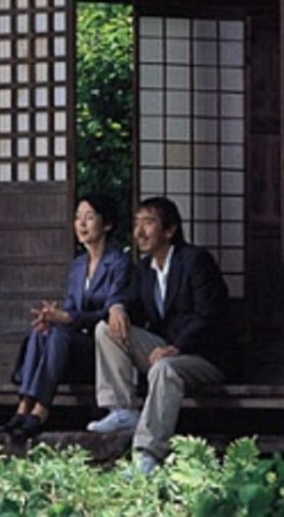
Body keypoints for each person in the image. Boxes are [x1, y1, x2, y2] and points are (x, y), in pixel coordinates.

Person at [86, 196, 229, 475]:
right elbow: (129, 302)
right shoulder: (144, 269)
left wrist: (177, 347)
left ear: (170, 230)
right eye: (136, 223)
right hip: (166, 349)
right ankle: (122, 410)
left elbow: (210, 316)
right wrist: (117, 307)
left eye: (148, 223)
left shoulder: (195, 261)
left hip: (204, 356)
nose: (139, 232)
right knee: (107, 329)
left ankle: (147, 454)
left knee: (164, 368)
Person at [0, 194, 132, 442]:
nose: (81, 224)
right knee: (42, 331)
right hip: (70, 348)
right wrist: (52, 318)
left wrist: (67, 318)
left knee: (59, 333)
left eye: (89, 217)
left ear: (107, 224)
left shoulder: (119, 262)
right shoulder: (78, 265)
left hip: (101, 350)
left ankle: (41, 411)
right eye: (78, 218)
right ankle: (24, 408)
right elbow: (70, 310)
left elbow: (107, 314)